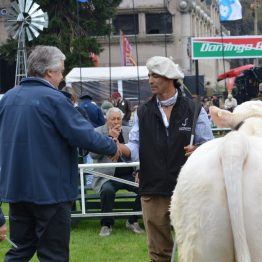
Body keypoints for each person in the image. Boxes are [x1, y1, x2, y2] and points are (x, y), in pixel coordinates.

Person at [0, 45, 119, 262]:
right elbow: (83, 135)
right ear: (49, 72)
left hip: (17, 192)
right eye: (61, 71)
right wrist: (112, 146)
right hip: (51, 193)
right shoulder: (54, 99)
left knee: (19, 250)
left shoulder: (7, 99)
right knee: (53, 256)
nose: (62, 77)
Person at [124, 56, 214, 261]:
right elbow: (135, 145)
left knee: (194, 248)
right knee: (158, 251)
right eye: (149, 75)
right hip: (152, 188)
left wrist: (199, 148)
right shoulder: (143, 111)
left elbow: (208, 145)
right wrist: (120, 149)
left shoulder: (194, 110)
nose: (150, 80)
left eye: (155, 75)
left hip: (188, 189)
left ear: (169, 78)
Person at [91, 107, 144, 237]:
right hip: (107, 176)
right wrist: (109, 138)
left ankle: (133, 220)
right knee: (107, 190)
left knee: (145, 187)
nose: (116, 122)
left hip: (128, 174)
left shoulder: (129, 131)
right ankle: (106, 224)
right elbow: (93, 155)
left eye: (118, 119)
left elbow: (138, 153)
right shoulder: (97, 132)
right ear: (107, 119)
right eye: (112, 119)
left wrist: (138, 170)